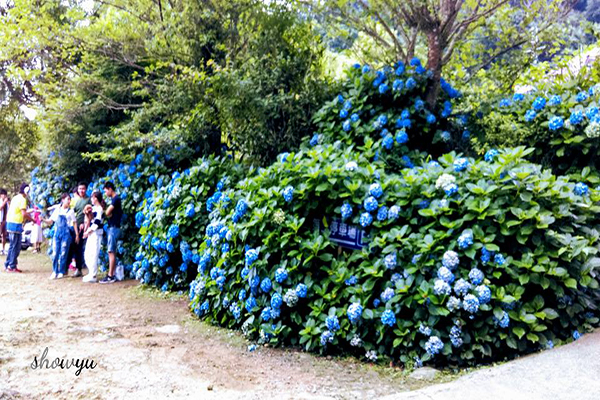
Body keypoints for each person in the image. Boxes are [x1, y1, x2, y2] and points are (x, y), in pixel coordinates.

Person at [45, 193, 76, 279]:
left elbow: (74, 223)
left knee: (63, 253)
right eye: (67, 199)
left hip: (66, 235)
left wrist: (76, 234)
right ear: (62, 200)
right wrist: (43, 220)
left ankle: (62, 271)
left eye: (70, 199)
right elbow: (50, 221)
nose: (69, 201)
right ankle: (55, 271)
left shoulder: (71, 211)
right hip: (57, 234)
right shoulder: (57, 210)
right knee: (55, 253)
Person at [4, 183, 33, 272]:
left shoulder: (16, 198)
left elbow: (19, 211)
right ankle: (12, 266)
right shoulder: (22, 200)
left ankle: (9, 264)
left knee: (13, 245)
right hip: (15, 224)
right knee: (16, 246)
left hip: (10, 223)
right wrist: (32, 219)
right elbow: (23, 214)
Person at [100, 181, 122, 284]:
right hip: (113, 228)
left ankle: (110, 276)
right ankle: (111, 274)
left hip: (113, 228)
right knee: (112, 251)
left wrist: (104, 211)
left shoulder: (116, 199)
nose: (105, 193)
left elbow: (108, 212)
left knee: (111, 251)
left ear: (110, 189)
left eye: (105, 191)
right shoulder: (115, 200)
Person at [82, 191, 104, 283]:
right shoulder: (93, 208)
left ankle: (93, 275)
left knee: (94, 254)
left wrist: (88, 231)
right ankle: (91, 272)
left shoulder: (99, 209)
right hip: (91, 233)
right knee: (87, 254)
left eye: (92, 197)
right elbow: (90, 220)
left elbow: (97, 223)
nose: (91, 199)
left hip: (96, 233)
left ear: (96, 198)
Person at [71, 182, 90, 278]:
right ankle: (78, 268)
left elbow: (90, 214)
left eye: (83, 188)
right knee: (75, 247)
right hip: (76, 227)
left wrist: (84, 223)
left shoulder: (89, 200)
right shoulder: (78, 201)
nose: (81, 191)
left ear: (86, 189)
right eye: (80, 189)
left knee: (80, 247)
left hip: (84, 227)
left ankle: (80, 268)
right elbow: (74, 212)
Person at [0, 189, 8, 255]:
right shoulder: (1, 201)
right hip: (0, 220)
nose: (5, 196)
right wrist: (4, 202)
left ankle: (3, 249)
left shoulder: (6, 202)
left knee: (4, 235)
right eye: (4, 195)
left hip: (4, 220)